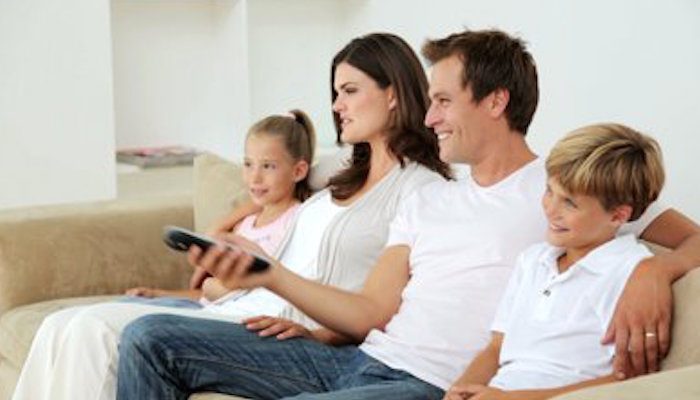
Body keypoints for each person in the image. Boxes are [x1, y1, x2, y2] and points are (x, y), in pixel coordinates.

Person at [115, 29, 700, 400]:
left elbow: (689, 239)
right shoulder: (430, 199)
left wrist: (656, 271)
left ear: (495, 101)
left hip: (424, 385)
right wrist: (270, 274)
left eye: (443, 100)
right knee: (150, 337)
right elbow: (371, 310)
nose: (430, 116)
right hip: (358, 362)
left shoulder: (558, 193)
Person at [13, 31, 451, 400]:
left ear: (393, 93)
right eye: (335, 93)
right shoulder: (337, 173)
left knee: (95, 330)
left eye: (350, 91)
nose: (337, 105)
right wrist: (233, 241)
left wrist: (320, 334)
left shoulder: (419, 190)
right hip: (246, 304)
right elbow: (276, 175)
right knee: (60, 325)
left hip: (285, 326)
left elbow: (394, 310)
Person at [444, 123, 665, 400]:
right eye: (550, 191)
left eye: (569, 203)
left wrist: (512, 399)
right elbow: (496, 348)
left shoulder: (631, 274)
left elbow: (628, 381)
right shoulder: (533, 260)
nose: (550, 209)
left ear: (618, 216)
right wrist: (457, 392)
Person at [125, 110, 315, 304]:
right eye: (248, 164)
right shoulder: (246, 224)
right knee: (129, 304)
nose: (254, 178)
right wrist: (158, 294)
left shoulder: (299, 221)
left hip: (238, 317)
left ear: (298, 171)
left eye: (268, 166)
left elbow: (280, 293)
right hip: (211, 309)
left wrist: (214, 287)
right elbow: (208, 296)